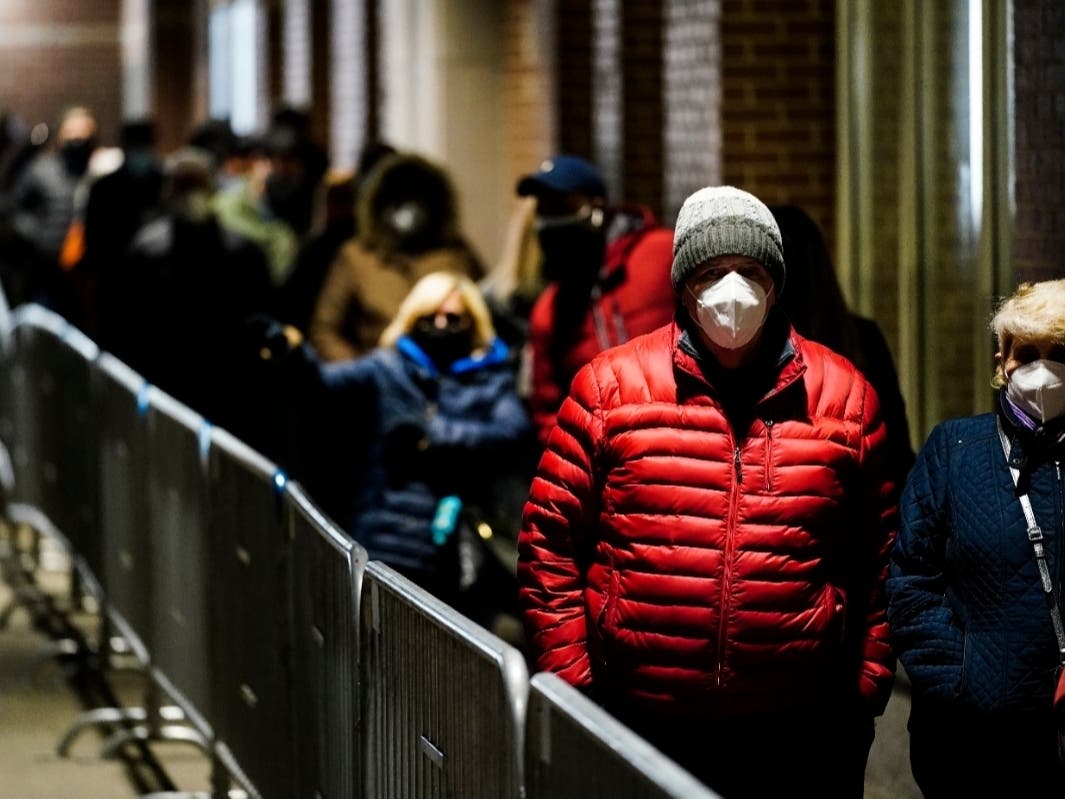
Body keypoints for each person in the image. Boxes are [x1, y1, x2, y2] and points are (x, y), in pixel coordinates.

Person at [517, 185, 898, 798]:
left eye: (749, 271)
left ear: (776, 281)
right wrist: (573, 685)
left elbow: (881, 557)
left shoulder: (845, 400)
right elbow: (548, 541)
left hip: (795, 727)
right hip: (640, 713)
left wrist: (863, 691)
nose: (732, 290)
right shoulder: (611, 390)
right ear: (681, 283)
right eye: (712, 272)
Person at [886, 279, 1065, 797]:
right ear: (1001, 359)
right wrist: (962, 682)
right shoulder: (954, 450)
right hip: (968, 744)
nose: (1044, 370)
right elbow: (910, 581)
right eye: (1027, 353)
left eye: (1061, 353)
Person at [309, 271, 529, 613]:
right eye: (431, 317)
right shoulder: (389, 367)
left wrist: (435, 434)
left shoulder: (489, 379)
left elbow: (513, 430)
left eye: (453, 318)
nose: (441, 325)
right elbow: (324, 386)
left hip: (455, 545)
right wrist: (294, 356)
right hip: (386, 532)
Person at [516, 154, 675, 446]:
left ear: (597, 206)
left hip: (682, 444)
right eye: (542, 209)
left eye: (560, 206)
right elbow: (549, 412)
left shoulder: (662, 254)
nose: (549, 220)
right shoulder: (550, 310)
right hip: (607, 467)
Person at [308, 152, 483, 361]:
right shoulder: (357, 257)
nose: (409, 212)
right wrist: (361, 373)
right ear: (381, 204)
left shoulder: (456, 255)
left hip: (445, 380)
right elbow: (326, 328)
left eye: (417, 199)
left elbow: (482, 319)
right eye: (400, 199)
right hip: (377, 375)